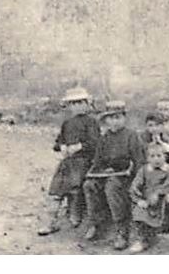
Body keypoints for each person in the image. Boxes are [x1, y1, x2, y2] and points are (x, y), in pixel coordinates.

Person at [82, 100, 144, 250]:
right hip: (107, 174)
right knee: (89, 185)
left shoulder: (132, 136)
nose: (114, 122)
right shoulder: (104, 138)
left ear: (124, 118)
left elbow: (139, 161)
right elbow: (98, 161)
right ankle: (95, 223)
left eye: (118, 117)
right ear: (106, 120)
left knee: (112, 186)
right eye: (111, 118)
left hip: (126, 177)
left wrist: (137, 181)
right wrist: (98, 172)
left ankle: (122, 230)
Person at [40, 86, 100, 235]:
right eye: (73, 104)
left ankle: (75, 213)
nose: (77, 106)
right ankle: (51, 221)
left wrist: (80, 146)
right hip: (68, 161)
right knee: (56, 188)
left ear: (87, 104)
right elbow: (58, 142)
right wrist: (62, 147)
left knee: (75, 183)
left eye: (80, 102)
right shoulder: (67, 123)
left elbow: (95, 143)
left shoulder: (91, 122)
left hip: (85, 161)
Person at [127, 142, 169, 253]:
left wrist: (159, 193)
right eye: (152, 156)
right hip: (148, 199)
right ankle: (142, 239)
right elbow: (135, 185)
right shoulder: (144, 170)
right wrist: (139, 200)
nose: (156, 159)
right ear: (147, 158)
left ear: (165, 157)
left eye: (159, 156)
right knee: (140, 210)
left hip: (162, 198)